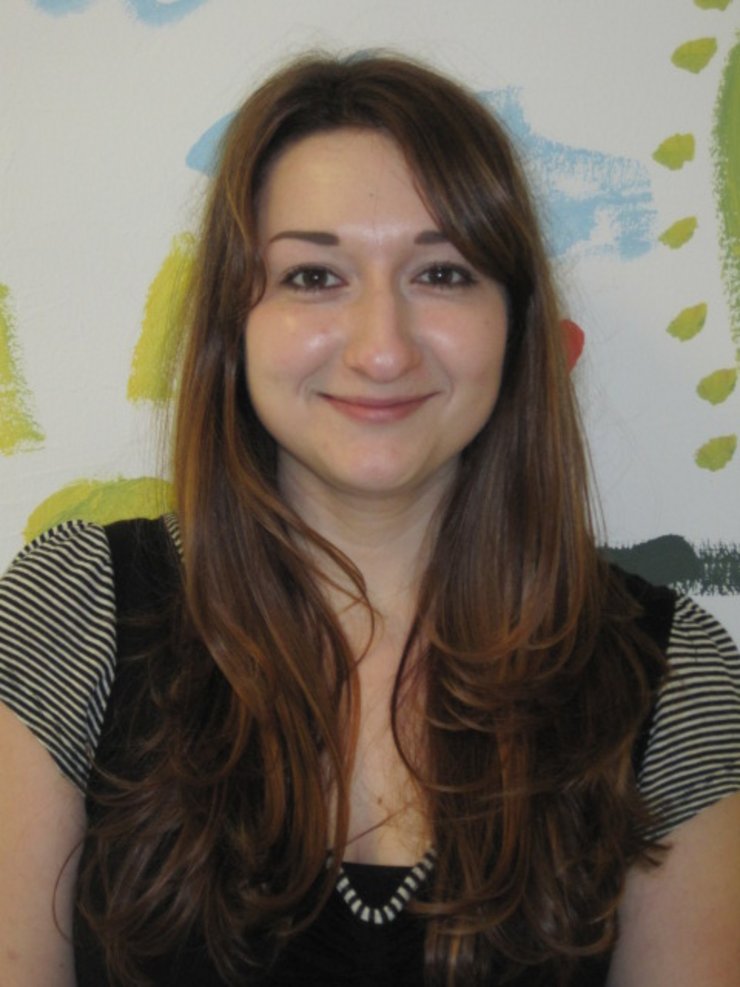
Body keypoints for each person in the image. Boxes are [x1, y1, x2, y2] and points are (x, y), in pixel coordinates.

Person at [1, 52, 739, 987]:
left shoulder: (669, 670)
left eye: (442, 272)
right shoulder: (78, 610)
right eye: (314, 276)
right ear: (234, 323)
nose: (382, 348)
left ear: (515, 323)